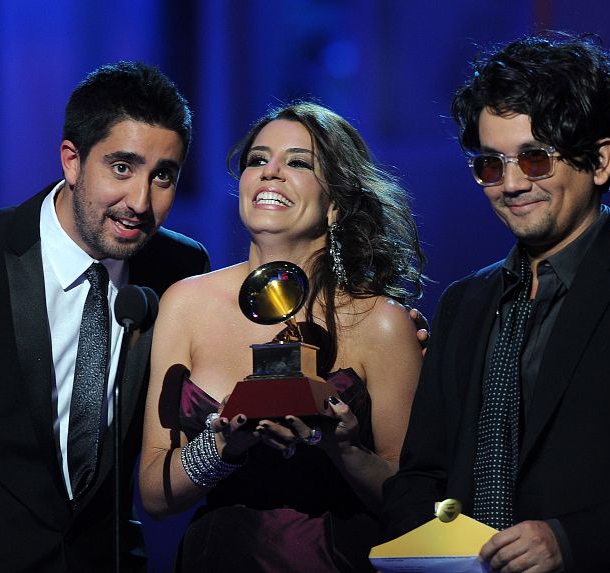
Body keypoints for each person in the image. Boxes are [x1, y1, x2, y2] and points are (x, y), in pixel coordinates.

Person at [381, 31, 610, 573]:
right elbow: (423, 478)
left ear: (600, 161)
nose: (509, 184)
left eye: (534, 160)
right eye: (490, 164)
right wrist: (440, 547)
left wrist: (570, 540)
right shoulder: (465, 302)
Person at [0, 61, 210, 572]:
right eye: (121, 168)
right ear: (72, 160)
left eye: (163, 176)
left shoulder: (179, 268)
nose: (140, 201)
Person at [139, 101, 426, 572]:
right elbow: (154, 494)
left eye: (298, 162)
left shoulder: (383, 322)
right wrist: (222, 449)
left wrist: (345, 449)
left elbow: (415, 503)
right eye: (258, 160)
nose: (270, 173)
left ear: (335, 203)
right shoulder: (184, 303)